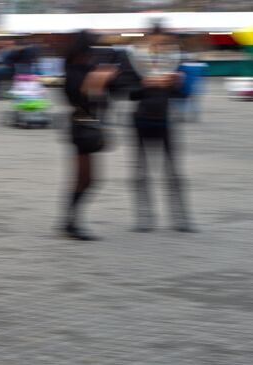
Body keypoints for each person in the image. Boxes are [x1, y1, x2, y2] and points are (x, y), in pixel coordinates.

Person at [127, 24, 195, 232]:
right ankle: (144, 218)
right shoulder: (135, 61)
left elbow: (184, 95)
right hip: (141, 120)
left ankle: (181, 219)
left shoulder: (174, 61)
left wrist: (178, 83)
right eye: (156, 42)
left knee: (174, 172)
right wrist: (145, 84)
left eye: (164, 42)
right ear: (148, 41)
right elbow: (128, 92)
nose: (160, 46)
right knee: (141, 172)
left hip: (166, 120)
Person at [61, 31, 118, 241]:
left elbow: (108, 94)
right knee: (85, 179)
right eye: (90, 50)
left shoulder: (85, 68)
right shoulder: (74, 72)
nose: (93, 54)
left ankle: (69, 222)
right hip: (81, 129)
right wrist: (98, 79)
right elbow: (81, 95)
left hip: (86, 128)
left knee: (87, 180)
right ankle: (70, 223)